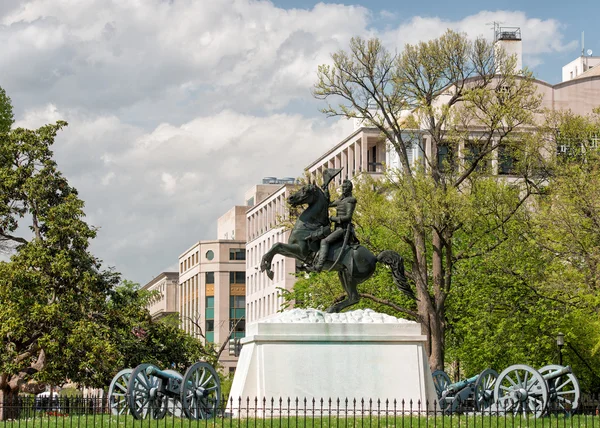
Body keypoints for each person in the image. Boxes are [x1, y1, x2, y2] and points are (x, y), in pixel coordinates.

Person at [313, 179, 357, 272]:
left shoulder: (350, 200)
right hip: (337, 228)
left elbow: (348, 217)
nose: (344, 189)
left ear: (349, 189)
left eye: (346, 188)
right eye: (343, 187)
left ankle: (319, 265)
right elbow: (328, 203)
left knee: (325, 241)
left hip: (344, 229)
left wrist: (334, 219)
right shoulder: (341, 200)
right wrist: (326, 189)